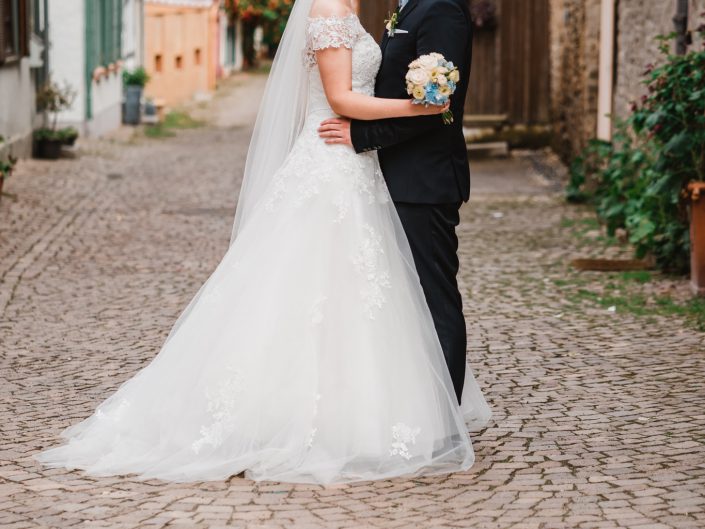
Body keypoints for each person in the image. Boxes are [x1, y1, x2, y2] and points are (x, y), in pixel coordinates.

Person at [35, 0, 491, 485]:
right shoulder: (330, 8)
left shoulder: (369, 10)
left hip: (361, 166)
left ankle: (387, 409)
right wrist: (418, 104)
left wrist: (397, 119)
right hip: (332, 160)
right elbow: (339, 98)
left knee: (362, 293)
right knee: (309, 285)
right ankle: (308, 414)